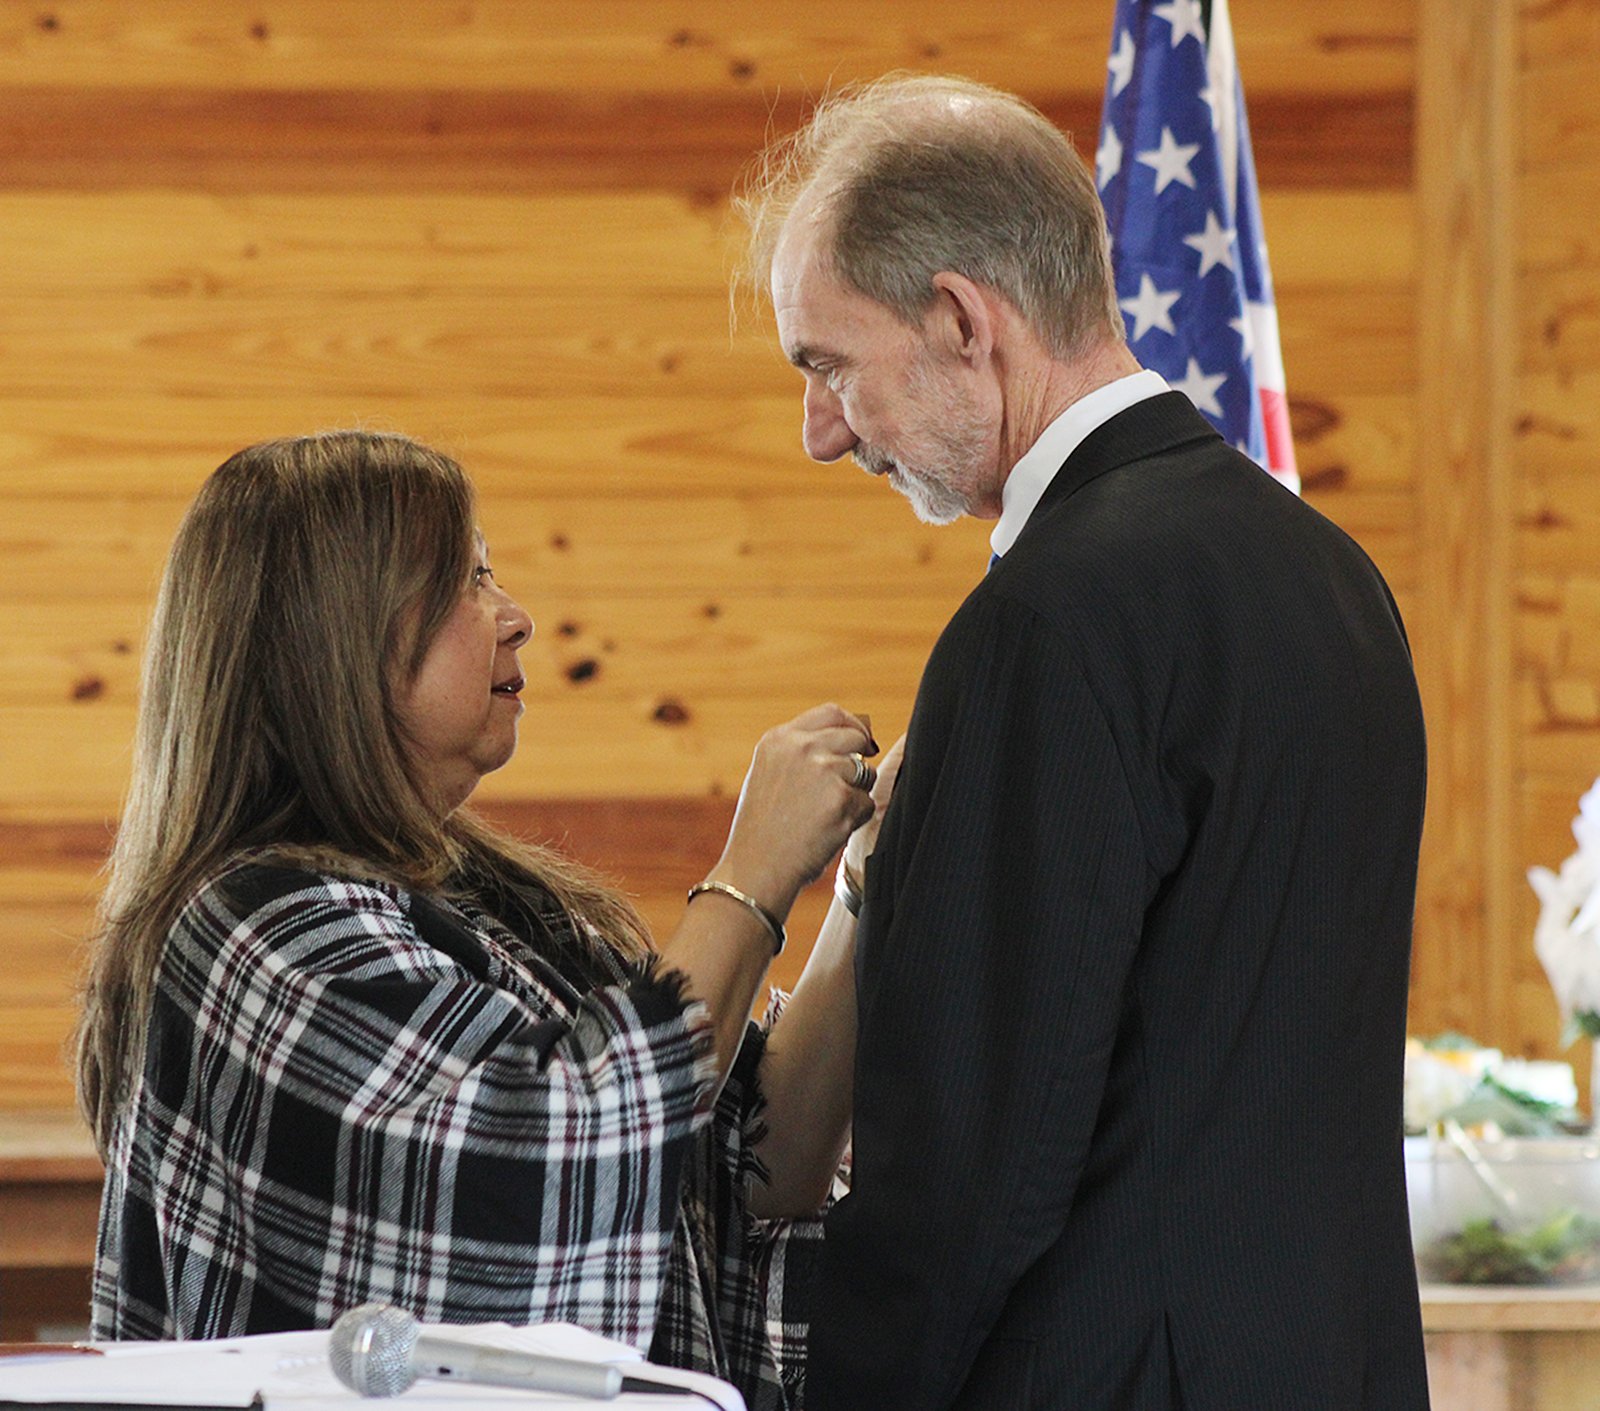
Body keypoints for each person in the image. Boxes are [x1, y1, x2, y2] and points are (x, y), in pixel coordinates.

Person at [738, 75, 1430, 1409]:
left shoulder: (1044, 623)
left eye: (826, 365)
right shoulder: (1332, 572)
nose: (821, 433)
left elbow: (967, 1158)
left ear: (959, 321)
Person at [76, 430, 894, 1408]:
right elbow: (560, 1157)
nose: (516, 618)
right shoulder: (253, 931)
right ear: (337, 638)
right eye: (465, 579)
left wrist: (860, 879)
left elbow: (749, 1163)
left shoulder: (486, 903)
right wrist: (750, 871)